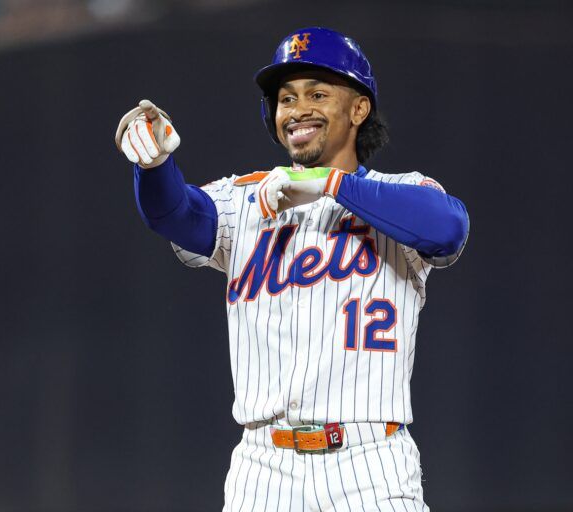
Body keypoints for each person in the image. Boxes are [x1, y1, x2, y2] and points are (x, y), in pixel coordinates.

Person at [115, 26, 469, 512]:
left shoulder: (400, 192)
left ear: (358, 109)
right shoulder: (248, 198)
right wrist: (154, 167)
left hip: (369, 464)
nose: (298, 109)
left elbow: (448, 227)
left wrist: (328, 183)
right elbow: (176, 215)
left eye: (318, 94)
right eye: (286, 98)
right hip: (264, 468)